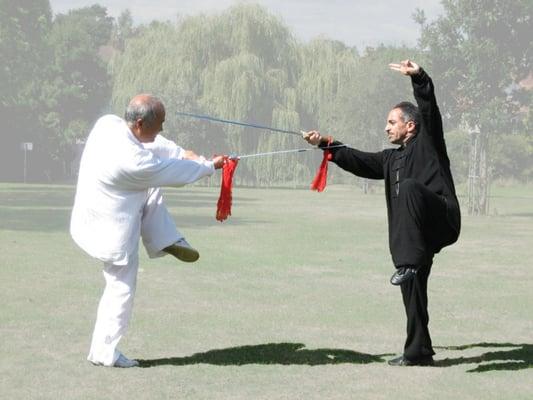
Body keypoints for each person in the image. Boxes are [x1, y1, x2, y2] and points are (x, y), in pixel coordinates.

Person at [303, 60, 460, 366]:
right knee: (411, 287)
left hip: (442, 219)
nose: (386, 127)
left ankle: (407, 264)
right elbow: (357, 159)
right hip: (417, 240)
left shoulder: (429, 142)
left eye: (392, 122)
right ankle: (418, 352)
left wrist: (419, 77)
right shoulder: (391, 160)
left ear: (410, 125)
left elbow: (428, 108)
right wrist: (324, 143)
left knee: (411, 188)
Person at [70, 94, 225, 368]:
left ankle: (165, 238)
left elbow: (159, 146)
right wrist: (209, 166)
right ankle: (105, 352)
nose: (163, 128)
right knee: (121, 288)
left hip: (93, 214)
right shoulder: (133, 163)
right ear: (140, 122)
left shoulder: (110, 124)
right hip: (111, 230)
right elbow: (170, 171)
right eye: (160, 123)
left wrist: (185, 153)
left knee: (151, 188)